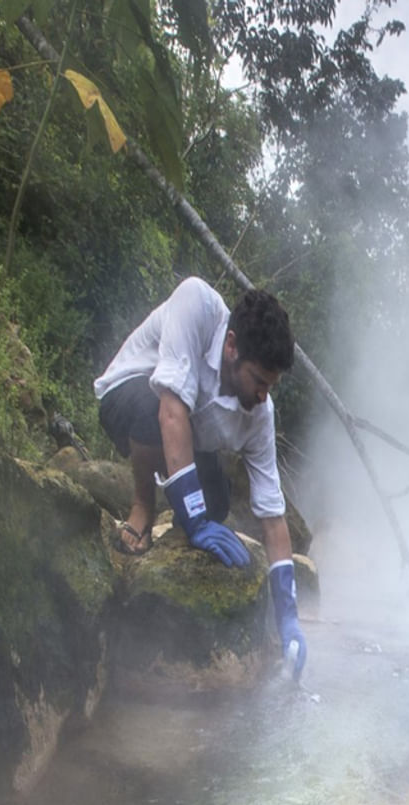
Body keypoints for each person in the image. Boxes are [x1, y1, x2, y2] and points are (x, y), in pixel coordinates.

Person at [94, 276, 306, 677]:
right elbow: (171, 410)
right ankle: (142, 506)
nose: (264, 395)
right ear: (231, 347)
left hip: (182, 431)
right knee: (153, 412)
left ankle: (173, 528)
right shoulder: (197, 305)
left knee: (218, 504)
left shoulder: (262, 412)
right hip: (128, 395)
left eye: (271, 386)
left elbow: (273, 513)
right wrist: (192, 519)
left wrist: (288, 616)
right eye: (259, 381)